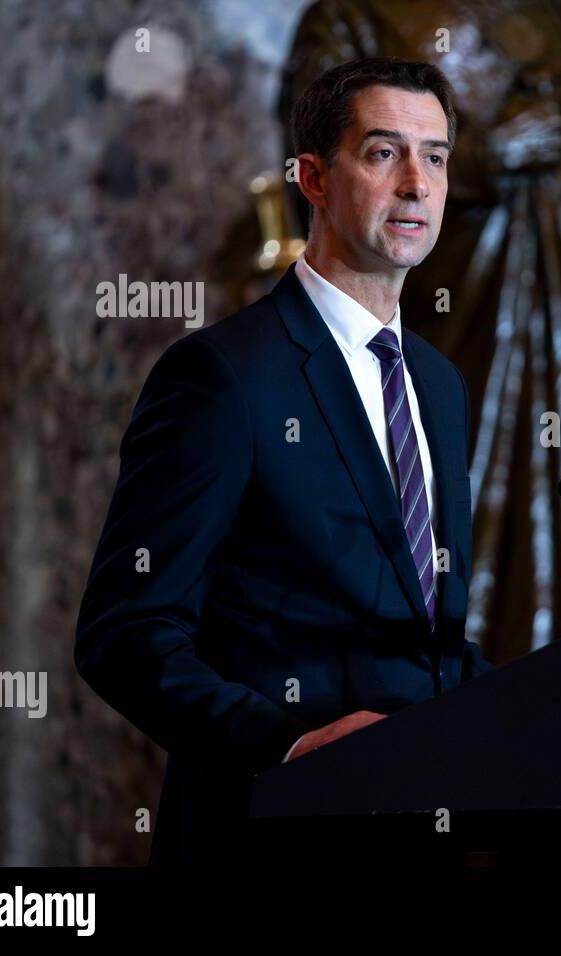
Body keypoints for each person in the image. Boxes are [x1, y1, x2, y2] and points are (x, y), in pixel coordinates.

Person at [74, 57, 489, 865]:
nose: (416, 184)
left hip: (422, 836)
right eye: (382, 153)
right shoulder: (223, 376)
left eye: (435, 157)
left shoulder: (438, 386)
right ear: (312, 178)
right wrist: (292, 746)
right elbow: (127, 633)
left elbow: (430, 638)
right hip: (271, 835)